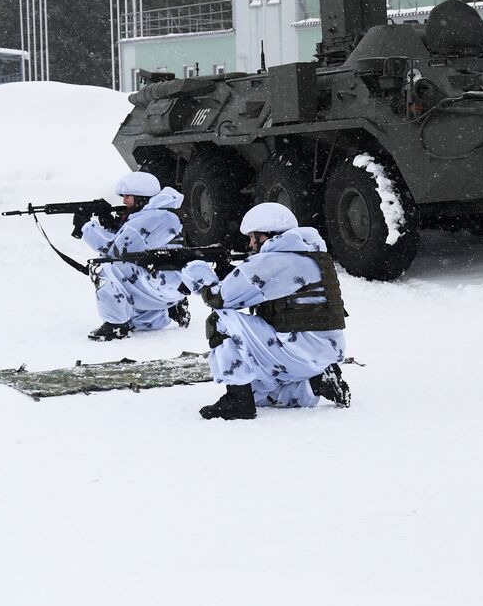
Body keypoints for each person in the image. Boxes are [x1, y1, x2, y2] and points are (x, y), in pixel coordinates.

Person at [181, 202, 350, 421]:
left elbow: (220, 298)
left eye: (255, 237)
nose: (251, 245)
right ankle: (315, 383)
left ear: (271, 235)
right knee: (258, 392)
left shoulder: (278, 259)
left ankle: (238, 403)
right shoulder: (308, 255)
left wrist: (195, 271)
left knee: (219, 322)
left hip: (298, 347)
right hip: (320, 348)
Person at [78, 171, 190, 341]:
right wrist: (112, 225)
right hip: (171, 283)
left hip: (160, 284)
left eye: (128, 196)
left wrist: (85, 226)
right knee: (137, 316)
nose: (124, 201)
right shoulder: (163, 214)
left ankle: (116, 326)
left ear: (141, 196)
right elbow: (133, 245)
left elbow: (114, 251)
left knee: (104, 266)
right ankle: (165, 312)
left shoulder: (149, 218)